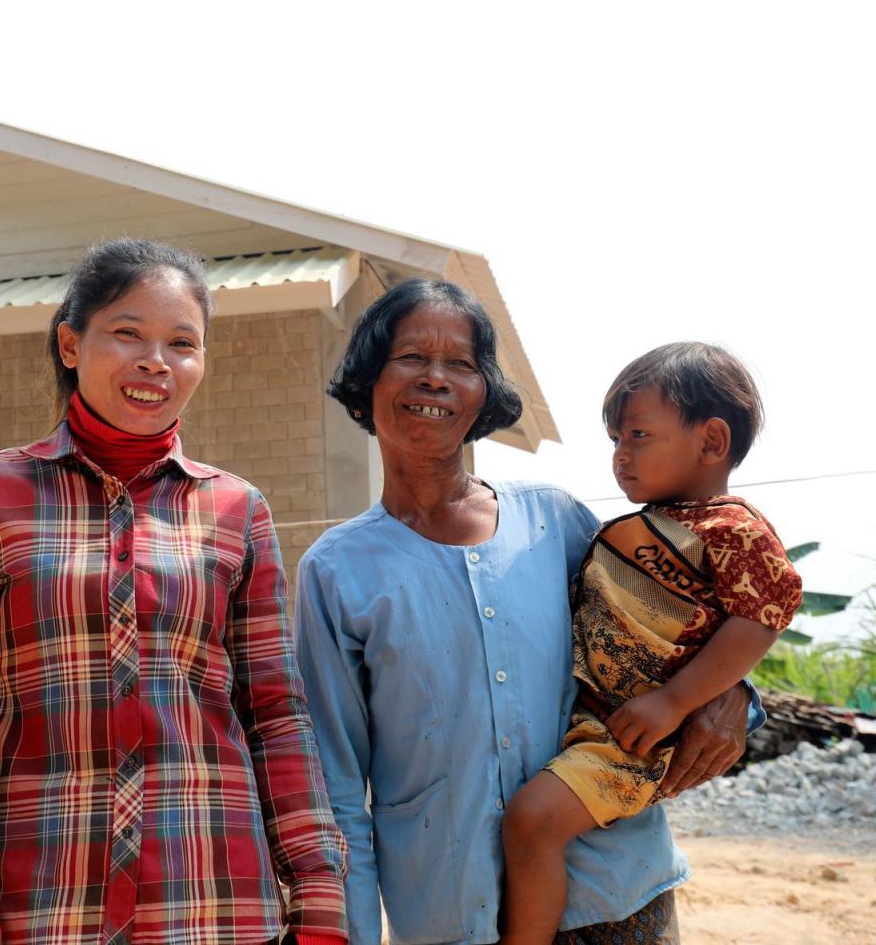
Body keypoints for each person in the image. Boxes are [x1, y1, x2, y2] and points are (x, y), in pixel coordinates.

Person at [0, 239, 349, 945]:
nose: (155, 362)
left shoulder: (237, 508)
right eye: (127, 334)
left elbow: (275, 712)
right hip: (44, 896)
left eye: (182, 343)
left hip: (215, 897)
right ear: (71, 344)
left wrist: (317, 888)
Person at [294, 279, 759, 945]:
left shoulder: (556, 522)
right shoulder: (336, 573)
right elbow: (336, 786)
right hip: (453, 917)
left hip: (620, 899)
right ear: (368, 378)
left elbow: (685, 617)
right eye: (410, 358)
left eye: (460, 363)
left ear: (485, 393)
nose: (435, 379)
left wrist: (736, 693)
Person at [498, 343, 802, 944]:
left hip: (635, 740)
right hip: (596, 723)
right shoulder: (639, 528)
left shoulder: (731, 530)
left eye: (638, 435)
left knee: (532, 821)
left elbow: (761, 617)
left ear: (712, 442)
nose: (620, 455)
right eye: (615, 439)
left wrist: (675, 702)